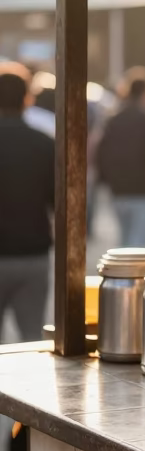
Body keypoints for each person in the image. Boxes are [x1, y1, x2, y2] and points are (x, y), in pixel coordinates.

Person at [0, 64, 54, 342]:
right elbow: (59, 202)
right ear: (27, 99)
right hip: (33, 253)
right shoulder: (44, 144)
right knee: (32, 339)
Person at [95, 67, 145, 247]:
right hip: (142, 191)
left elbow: (99, 149)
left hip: (117, 190)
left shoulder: (112, 119)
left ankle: (124, 276)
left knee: (125, 243)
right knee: (140, 248)